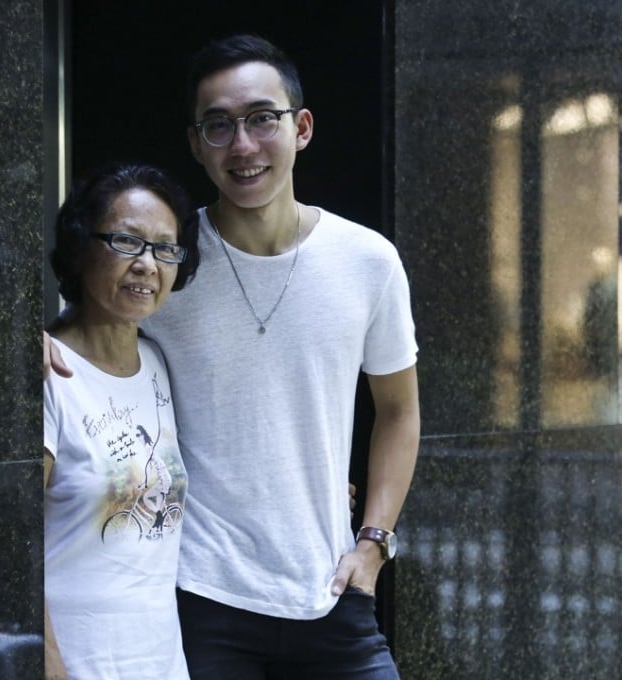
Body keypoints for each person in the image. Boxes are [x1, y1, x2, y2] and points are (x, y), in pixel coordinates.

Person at [47, 34, 420, 678]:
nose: (242, 146)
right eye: (218, 126)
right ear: (196, 144)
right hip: (201, 598)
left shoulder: (369, 262)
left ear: (301, 128)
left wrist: (374, 543)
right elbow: (92, 317)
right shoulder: (169, 258)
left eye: (261, 120)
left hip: (331, 590)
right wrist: (32, 342)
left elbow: (399, 411)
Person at [43, 162, 200, 679]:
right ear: (81, 247)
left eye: (164, 248)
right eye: (127, 242)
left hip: (160, 663)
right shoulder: (49, 374)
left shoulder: (157, 362)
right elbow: (7, 549)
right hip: (77, 664)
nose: (147, 265)